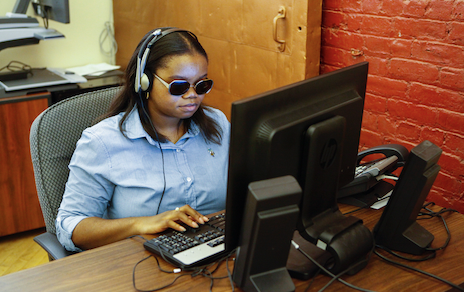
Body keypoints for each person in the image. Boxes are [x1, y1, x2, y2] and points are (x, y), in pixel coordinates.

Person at [56, 28, 230, 252]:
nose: (193, 95)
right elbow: (70, 227)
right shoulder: (103, 142)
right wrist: (141, 223)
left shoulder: (218, 125)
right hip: (138, 265)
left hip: (215, 254)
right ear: (144, 81)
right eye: (179, 86)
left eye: (202, 84)